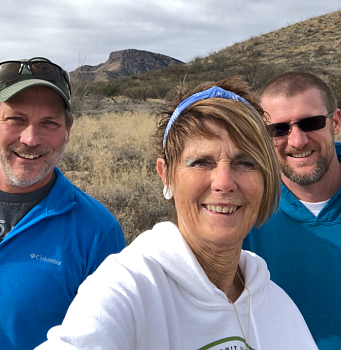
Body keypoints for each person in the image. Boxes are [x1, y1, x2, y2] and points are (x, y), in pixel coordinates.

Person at [36, 77, 317, 350]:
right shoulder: (128, 291)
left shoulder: (276, 303)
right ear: (166, 174)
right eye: (201, 162)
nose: (224, 182)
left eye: (245, 162)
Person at [0, 57, 126, 350]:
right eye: (16, 119)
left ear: (68, 129)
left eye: (49, 123)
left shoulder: (97, 233)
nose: (30, 139)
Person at [243, 71, 341, 349]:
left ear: (335, 122)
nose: (297, 141)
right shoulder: (245, 213)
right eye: (279, 129)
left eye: (310, 123)